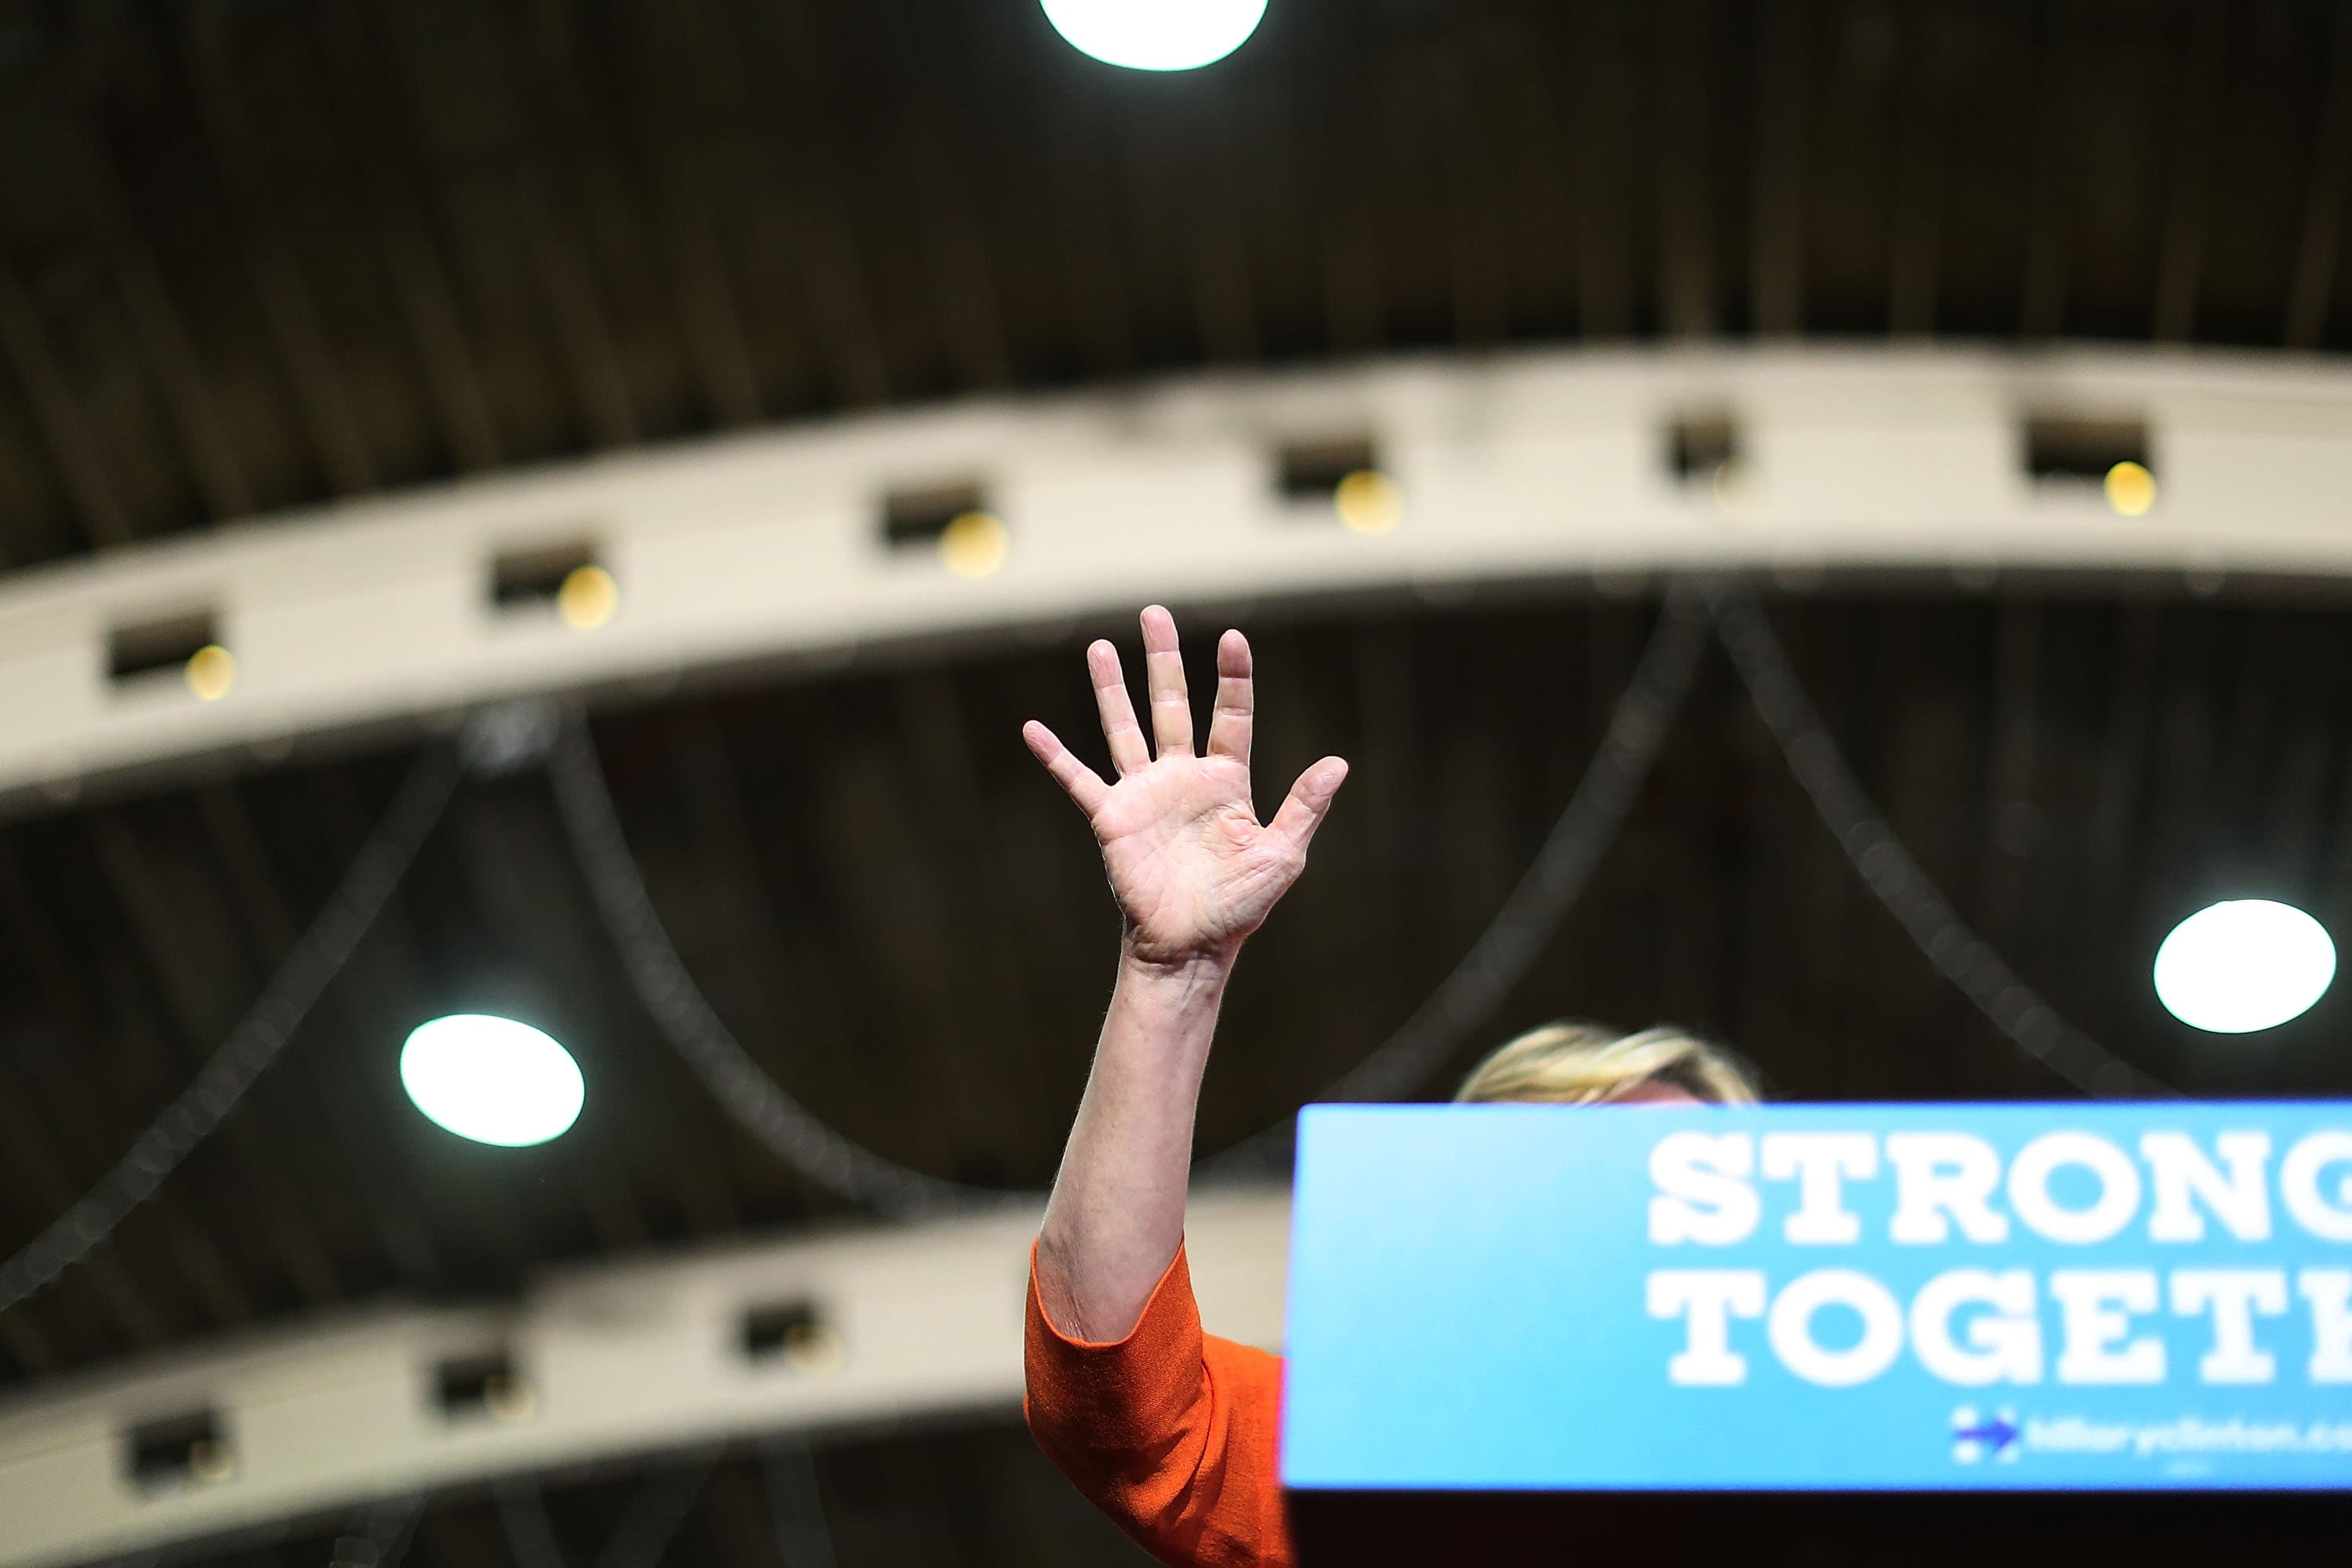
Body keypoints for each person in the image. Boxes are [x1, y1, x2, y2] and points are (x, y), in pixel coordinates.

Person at [1017, 606, 1760, 1568]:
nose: (1643, 1219)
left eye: (1692, 1186)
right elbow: (1124, 1402)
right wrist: (1174, 975)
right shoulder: (1394, 1482)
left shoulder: (1898, 1463)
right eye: (1582, 1178)